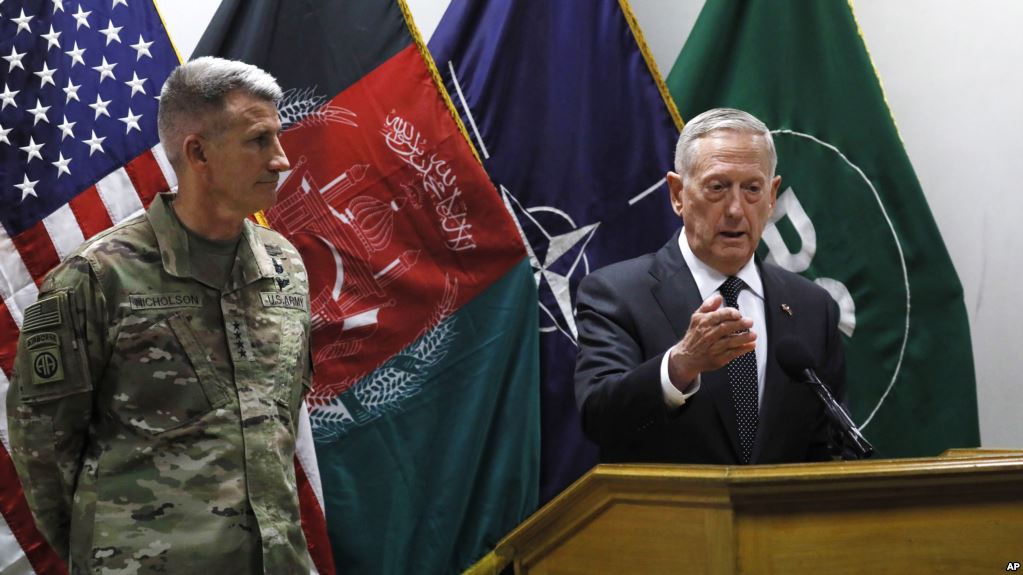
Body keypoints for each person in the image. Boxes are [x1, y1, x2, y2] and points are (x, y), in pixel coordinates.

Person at [7, 57, 313, 573]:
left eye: (277, 138)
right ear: (198, 153)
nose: (281, 159)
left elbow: (278, 426)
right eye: (259, 141)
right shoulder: (96, 279)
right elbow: (43, 452)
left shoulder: (284, 266)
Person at [574, 108, 845, 465]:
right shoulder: (615, 294)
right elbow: (598, 417)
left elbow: (828, 445)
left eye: (752, 189)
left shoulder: (813, 307)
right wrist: (680, 366)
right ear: (677, 194)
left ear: (772, 196)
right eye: (717, 187)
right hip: (672, 518)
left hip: (780, 518)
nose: (735, 209)